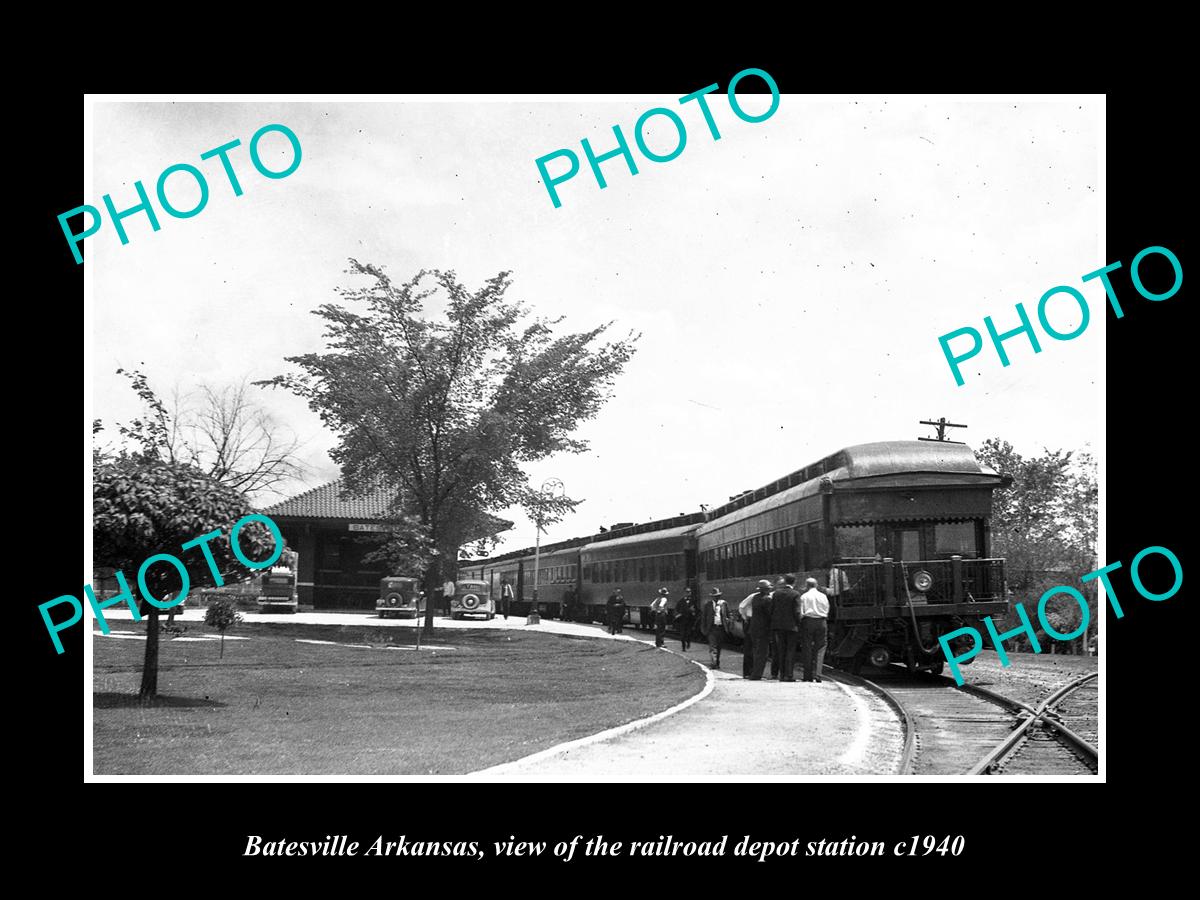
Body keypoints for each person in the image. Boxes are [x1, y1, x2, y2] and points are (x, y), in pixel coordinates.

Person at [738, 579, 774, 680]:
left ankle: (753, 673)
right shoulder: (767, 599)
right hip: (763, 629)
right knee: (763, 653)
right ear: (766, 590)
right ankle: (756, 675)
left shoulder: (755, 598)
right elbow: (769, 614)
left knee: (756, 651)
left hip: (753, 628)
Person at [770, 575, 802, 681]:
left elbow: (772, 609)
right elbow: (797, 612)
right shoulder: (795, 594)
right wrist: (798, 624)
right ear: (794, 582)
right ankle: (789, 675)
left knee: (781, 650)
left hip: (778, 627)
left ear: (785, 582)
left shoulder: (776, 593)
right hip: (792, 627)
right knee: (790, 651)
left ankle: (782, 675)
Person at [799, 576, 831, 682]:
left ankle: (807, 676)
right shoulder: (823, 596)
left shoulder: (804, 596)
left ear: (807, 585)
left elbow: (801, 612)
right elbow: (827, 609)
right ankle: (818, 675)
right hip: (821, 622)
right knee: (820, 648)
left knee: (807, 647)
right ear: (816, 585)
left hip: (808, 621)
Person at [700, 588, 732, 669]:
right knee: (713, 647)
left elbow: (729, 614)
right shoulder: (708, 605)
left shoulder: (724, 604)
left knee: (719, 647)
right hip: (712, 629)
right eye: (714, 596)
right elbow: (704, 617)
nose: (716, 598)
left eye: (717, 596)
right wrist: (704, 629)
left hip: (721, 628)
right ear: (712, 597)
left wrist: (729, 621)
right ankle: (713, 663)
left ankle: (717, 663)